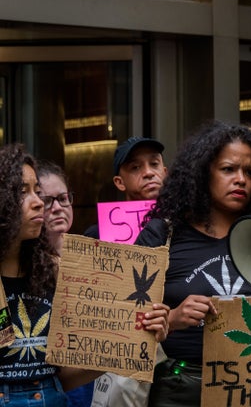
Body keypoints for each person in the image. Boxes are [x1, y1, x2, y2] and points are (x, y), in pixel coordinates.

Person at [0, 144, 169, 405]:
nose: (38, 203)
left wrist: (134, 341)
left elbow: (61, 380)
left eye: (38, 192)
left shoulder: (54, 272)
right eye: (24, 193)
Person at [135, 120, 251, 406]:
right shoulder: (162, 235)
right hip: (180, 388)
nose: (241, 179)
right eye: (228, 169)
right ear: (203, 174)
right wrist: (173, 318)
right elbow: (123, 322)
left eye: (250, 172)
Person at [36, 160, 93, 407]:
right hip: (46, 383)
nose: (57, 208)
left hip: (91, 375)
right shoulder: (24, 267)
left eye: (63, 198)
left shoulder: (91, 252)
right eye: (47, 201)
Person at [83, 136, 167, 238]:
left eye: (154, 164)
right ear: (120, 183)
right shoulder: (98, 236)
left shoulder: (184, 223)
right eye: (135, 167)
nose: (148, 173)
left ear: (165, 173)